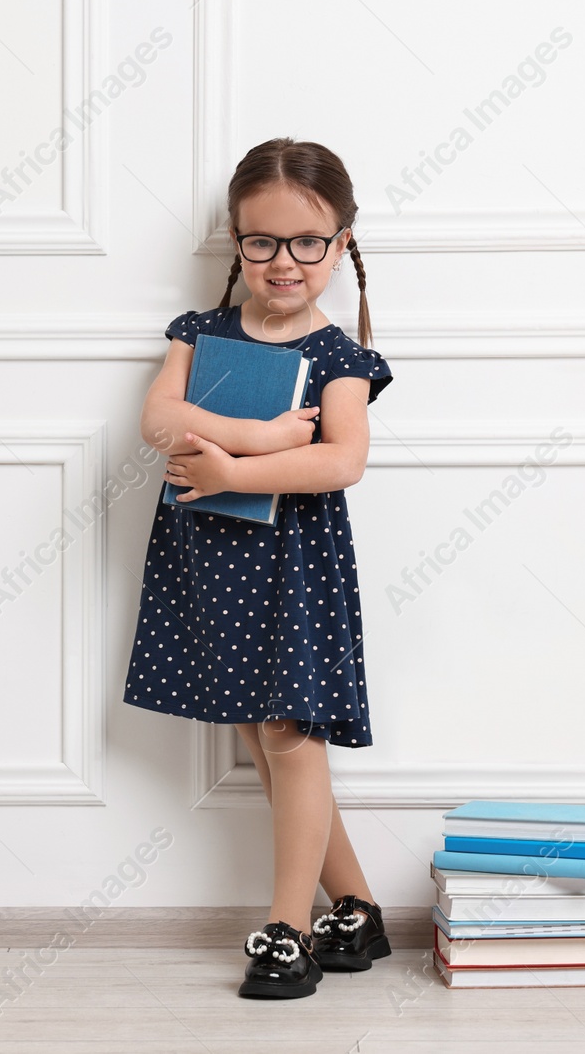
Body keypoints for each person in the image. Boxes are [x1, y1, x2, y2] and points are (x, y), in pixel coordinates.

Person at [122, 137, 394, 999]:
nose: (285, 262)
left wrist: (234, 469)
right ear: (236, 242)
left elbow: (341, 460)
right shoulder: (201, 334)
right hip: (213, 560)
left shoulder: (337, 357)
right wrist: (268, 435)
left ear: (342, 243)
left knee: (291, 735)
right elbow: (159, 420)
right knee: (263, 738)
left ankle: (286, 928)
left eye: (307, 242)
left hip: (294, 565)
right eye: (262, 242)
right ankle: (354, 903)